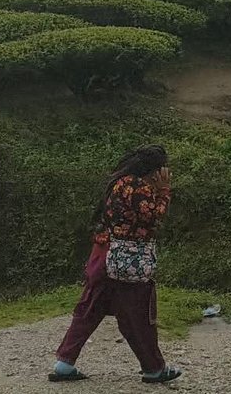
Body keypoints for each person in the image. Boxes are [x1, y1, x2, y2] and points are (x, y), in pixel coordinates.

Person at [49, 144, 181, 384]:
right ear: (155, 170)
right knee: (139, 315)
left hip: (103, 255)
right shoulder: (139, 188)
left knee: (89, 309)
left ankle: (64, 363)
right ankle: (154, 369)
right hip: (128, 261)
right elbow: (153, 217)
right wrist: (163, 191)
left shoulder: (119, 182)